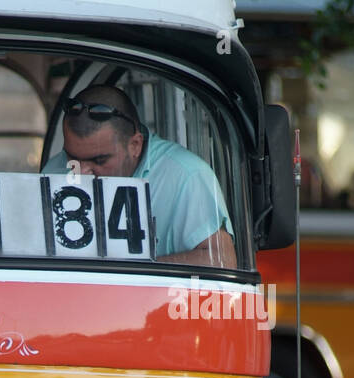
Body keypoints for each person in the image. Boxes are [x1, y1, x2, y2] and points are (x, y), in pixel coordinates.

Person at [41, 85, 237, 268]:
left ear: (135, 145)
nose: (81, 172)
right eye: (72, 158)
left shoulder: (186, 176)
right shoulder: (55, 171)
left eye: (99, 160)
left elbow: (222, 260)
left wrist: (133, 272)